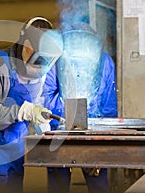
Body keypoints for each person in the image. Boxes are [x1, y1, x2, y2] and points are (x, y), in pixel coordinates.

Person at [0, 16, 63, 193]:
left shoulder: (41, 70)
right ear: (27, 47)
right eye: (41, 60)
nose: (42, 68)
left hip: (16, 146)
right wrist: (24, 111)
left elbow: (36, 100)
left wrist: (39, 119)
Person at [42, 22, 118, 193]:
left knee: (93, 184)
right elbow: (47, 97)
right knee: (63, 184)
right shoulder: (56, 59)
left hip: (88, 131)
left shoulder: (104, 60)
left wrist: (105, 134)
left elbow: (109, 103)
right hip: (64, 131)